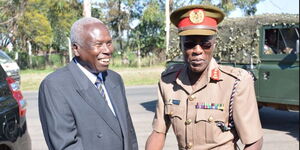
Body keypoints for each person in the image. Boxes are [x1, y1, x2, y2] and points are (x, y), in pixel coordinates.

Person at [146, 5, 263, 150]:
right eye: (189, 44)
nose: (197, 51)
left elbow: (253, 142)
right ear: (180, 45)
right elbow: (158, 132)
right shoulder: (168, 82)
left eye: (205, 44)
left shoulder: (235, 82)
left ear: (214, 44)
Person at [38, 17, 138, 150]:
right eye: (98, 44)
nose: (107, 50)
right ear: (76, 49)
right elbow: (65, 145)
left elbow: (128, 134)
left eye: (108, 43)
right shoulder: (55, 86)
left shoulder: (115, 79)